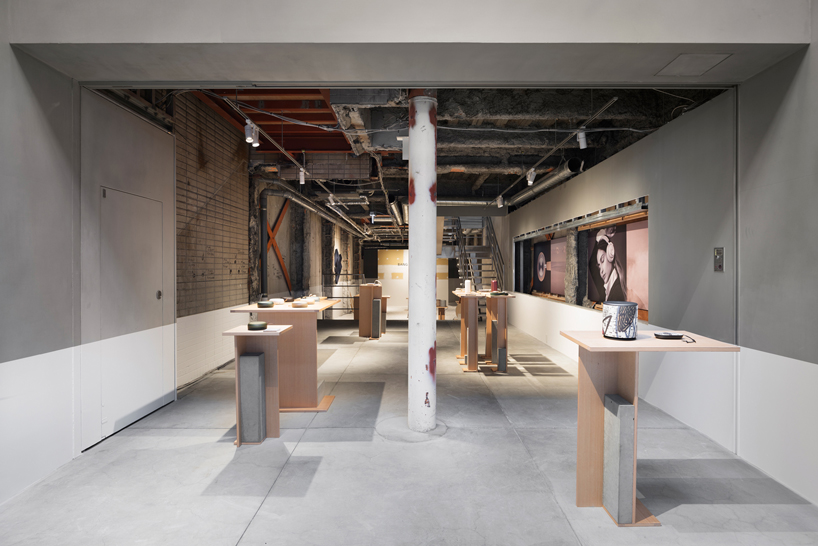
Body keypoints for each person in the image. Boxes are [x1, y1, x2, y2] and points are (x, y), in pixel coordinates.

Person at [589, 227, 626, 302]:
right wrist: (602, 236)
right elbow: (592, 264)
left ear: (610, 254)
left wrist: (602, 236)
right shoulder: (608, 286)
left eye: (602, 261)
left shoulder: (617, 294)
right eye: (599, 266)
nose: (601, 271)